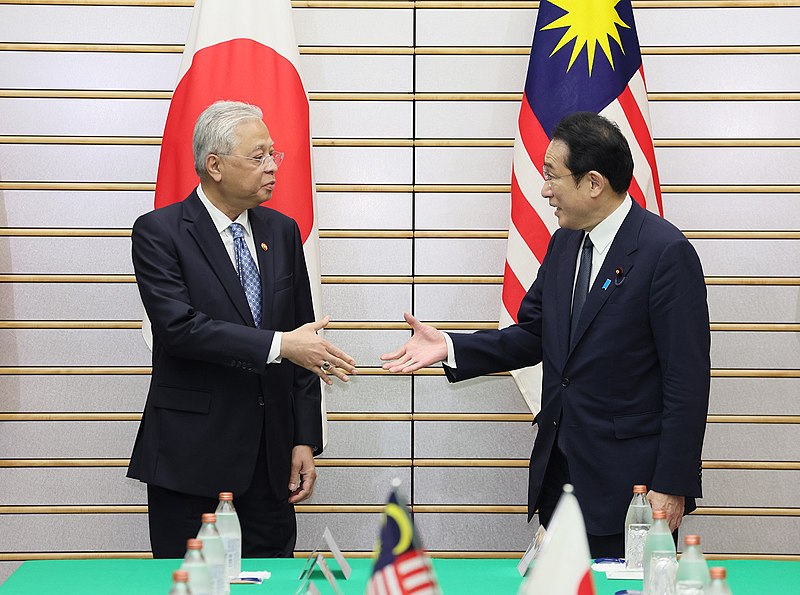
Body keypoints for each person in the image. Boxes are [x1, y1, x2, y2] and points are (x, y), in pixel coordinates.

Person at [381, 112, 710, 558]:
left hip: (632, 492)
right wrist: (451, 345)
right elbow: (535, 334)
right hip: (561, 476)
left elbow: (686, 381)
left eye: (552, 176)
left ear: (594, 182)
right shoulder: (564, 244)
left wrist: (671, 485)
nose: (544, 190)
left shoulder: (665, 253)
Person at [128, 100, 357, 559]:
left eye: (274, 154)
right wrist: (279, 345)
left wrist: (303, 437)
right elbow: (180, 329)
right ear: (214, 165)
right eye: (258, 157)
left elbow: (302, 339)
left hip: (269, 465)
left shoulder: (283, 231)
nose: (273, 166)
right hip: (191, 461)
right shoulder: (160, 232)